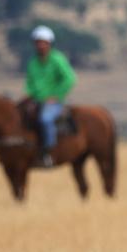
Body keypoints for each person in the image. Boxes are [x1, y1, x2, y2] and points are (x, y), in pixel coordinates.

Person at [25, 25, 76, 166]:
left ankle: (48, 152)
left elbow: (69, 79)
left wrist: (56, 96)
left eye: (43, 42)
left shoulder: (57, 59)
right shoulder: (32, 62)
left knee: (45, 119)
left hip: (53, 102)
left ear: (49, 43)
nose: (40, 45)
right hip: (35, 101)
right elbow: (29, 83)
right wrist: (30, 96)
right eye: (38, 42)